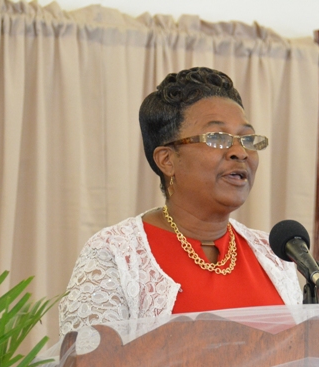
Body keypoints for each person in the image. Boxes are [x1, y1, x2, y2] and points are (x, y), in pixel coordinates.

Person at [59, 67, 302, 336]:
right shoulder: (114, 255)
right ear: (167, 160)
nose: (239, 152)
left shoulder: (275, 256)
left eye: (246, 139)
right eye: (217, 138)